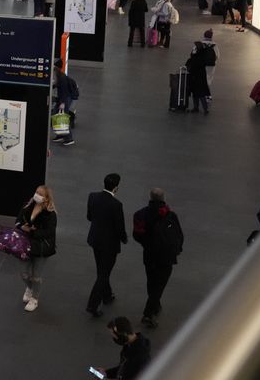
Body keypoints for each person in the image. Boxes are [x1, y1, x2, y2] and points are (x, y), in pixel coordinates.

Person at [131, 188, 184, 329]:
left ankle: (155, 304)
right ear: (163, 198)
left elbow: (136, 235)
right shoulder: (171, 215)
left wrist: (146, 244)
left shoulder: (140, 214)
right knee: (160, 284)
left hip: (149, 255)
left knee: (151, 280)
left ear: (150, 197)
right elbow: (179, 235)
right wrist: (177, 250)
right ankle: (148, 313)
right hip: (166, 257)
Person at [86, 173, 128, 317]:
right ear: (116, 188)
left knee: (102, 269)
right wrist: (124, 239)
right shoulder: (116, 205)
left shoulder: (92, 196)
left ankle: (107, 295)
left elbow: (89, 217)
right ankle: (92, 305)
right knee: (104, 274)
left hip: (95, 240)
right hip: (109, 244)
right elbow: (119, 226)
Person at [17, 184, 58, 312]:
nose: (37, 196)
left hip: (41, 248)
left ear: (46, 198)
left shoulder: (50, 214)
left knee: (36, 276)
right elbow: (19, 220)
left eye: (40, 194)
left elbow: (49, 232)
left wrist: (32, 232)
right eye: (36, 192)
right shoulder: (28, 206)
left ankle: (34, 299)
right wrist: (21, 226)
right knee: (23, 273)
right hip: (26, 244)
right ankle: (29, 288)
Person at [185, 30, 216, 113]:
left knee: (196, 93)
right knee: (202, 91)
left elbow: (189, 62)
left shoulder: (195, 57)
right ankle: (205, 108)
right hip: (203, 73)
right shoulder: (211, 47)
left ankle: (196, 108)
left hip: (195, 76)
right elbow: (217, 55)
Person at [51, 58, 79, 146]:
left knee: (63, 117)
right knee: (55, 114)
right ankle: (60, 135)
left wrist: (62, 103)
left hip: (66, 97)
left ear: (56, 67)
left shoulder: (61, 77)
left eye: (54, 67)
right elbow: (56, 85)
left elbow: (64, 91)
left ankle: (69, 138)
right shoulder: (59, 75)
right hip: (64, 96)